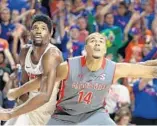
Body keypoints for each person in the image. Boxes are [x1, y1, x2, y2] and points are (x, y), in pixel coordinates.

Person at [1, 32, 157, 125]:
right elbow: (41, 81)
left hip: (95, 114)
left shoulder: (114, 68)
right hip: (65, 116)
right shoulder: (69, 67)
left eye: (101, 41)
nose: (97, 43)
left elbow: (147, 69)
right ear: (86, 48)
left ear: (105, 49)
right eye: (93, 41)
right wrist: (18, 92)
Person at [2, 14, 63, 125]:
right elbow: (24, 85)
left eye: (43, 28)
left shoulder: (52, 55)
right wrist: (18, 104)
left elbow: (45, 96)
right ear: (30, 33)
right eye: (35, 28)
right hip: (28, 105)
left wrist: (11, 113)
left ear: (50, 34)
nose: (39, 31)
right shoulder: (25, 51)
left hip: (46, 108)